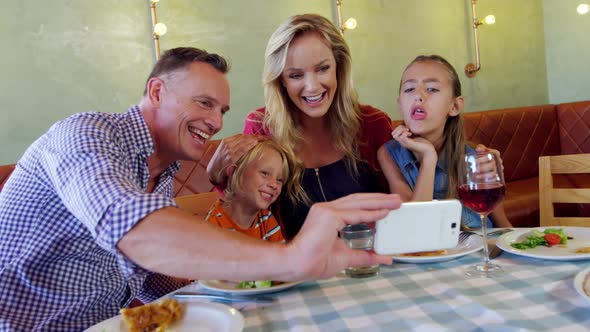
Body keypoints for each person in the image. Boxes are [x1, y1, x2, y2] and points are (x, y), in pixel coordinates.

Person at [0, 47, 401, 331]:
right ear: (157, 92)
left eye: (221, 111)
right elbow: (132, 229)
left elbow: (157, 277)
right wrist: (290, 258)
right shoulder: (86, 134)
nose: (215, 121)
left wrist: (246, 287)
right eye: (204, 103)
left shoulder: (160, 175)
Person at [207, 14, 394, 240]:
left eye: (323, 69)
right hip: (295, 270)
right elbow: (246, 209)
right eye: (295, 75)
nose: (312, 86)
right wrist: (218, 178)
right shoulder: (260, 127)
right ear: (281, 81)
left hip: (369, 264)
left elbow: (403, 205)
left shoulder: (373, 123)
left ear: (339, 67)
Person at [377, 54, 511, 229]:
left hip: (480, 248)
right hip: (431, 252)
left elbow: (502, 225)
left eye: (432, 89)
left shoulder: (473, 157)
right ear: (400, 106)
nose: (418, 96)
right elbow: (413, 227)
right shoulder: (389, 154)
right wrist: (428, 157)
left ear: (454, 106)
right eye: (409, 89)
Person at [205, 139, 299, 242]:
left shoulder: (266, 219)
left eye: (279, 180)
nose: (274, 184)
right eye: (264, 173)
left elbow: (281, 256)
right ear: (233, 174)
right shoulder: (214, 225)